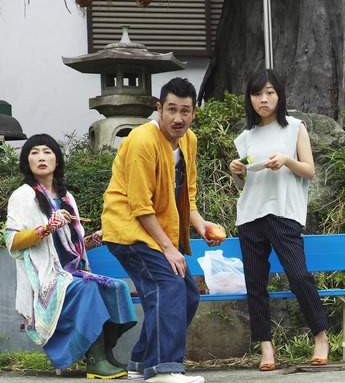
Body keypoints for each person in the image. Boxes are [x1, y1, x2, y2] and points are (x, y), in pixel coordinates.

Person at [101, 77, 223, 383]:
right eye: (172, 109)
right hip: (128, 231)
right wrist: (169, 248)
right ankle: (164, 369)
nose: (178, 118)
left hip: (155, 233)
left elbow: (187, 195)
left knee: (188, 295)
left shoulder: (189, 141)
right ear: (159, 109)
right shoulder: (142, 140)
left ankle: (142, 362)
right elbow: (140, 206)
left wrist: (200, 224)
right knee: (169, 286)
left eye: (185, 111)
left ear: (193, 113)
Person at [2, 133, 136, 379]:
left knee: (116, 288)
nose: (41, 157)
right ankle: (94, 359)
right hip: (46, 278)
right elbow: (12, 241)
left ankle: (106, 353)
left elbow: (70, 247)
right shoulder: (23, 195)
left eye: (47, 152)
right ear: (27, 161)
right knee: (89, 288)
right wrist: (47, 227)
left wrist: (96, 239)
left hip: (72, 272)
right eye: (34, 153)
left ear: (57, 160)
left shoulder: (66, 198)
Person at [229, 69, 330, 371]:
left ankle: (321, 337)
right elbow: (243, 185)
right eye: (257, 94)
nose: (263, 99)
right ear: (250, 99)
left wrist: (286, 161)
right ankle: (266, 348)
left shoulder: (295, 128)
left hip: (284, 213)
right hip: (250, 216)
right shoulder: (246, 137)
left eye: (269, 92)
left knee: (299, 276)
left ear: (279, 95)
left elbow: (310, 170)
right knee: (255, 284)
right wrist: (237, 173)